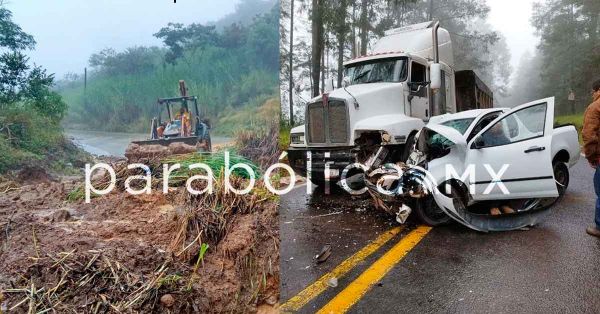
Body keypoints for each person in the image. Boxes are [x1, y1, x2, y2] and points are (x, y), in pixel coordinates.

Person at [583, 79, 600, 238]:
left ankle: (599, 227)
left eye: (593, 91)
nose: (592, 94)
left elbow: (589, 135)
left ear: (597, 90)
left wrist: (591, 156)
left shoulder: (594, 107)